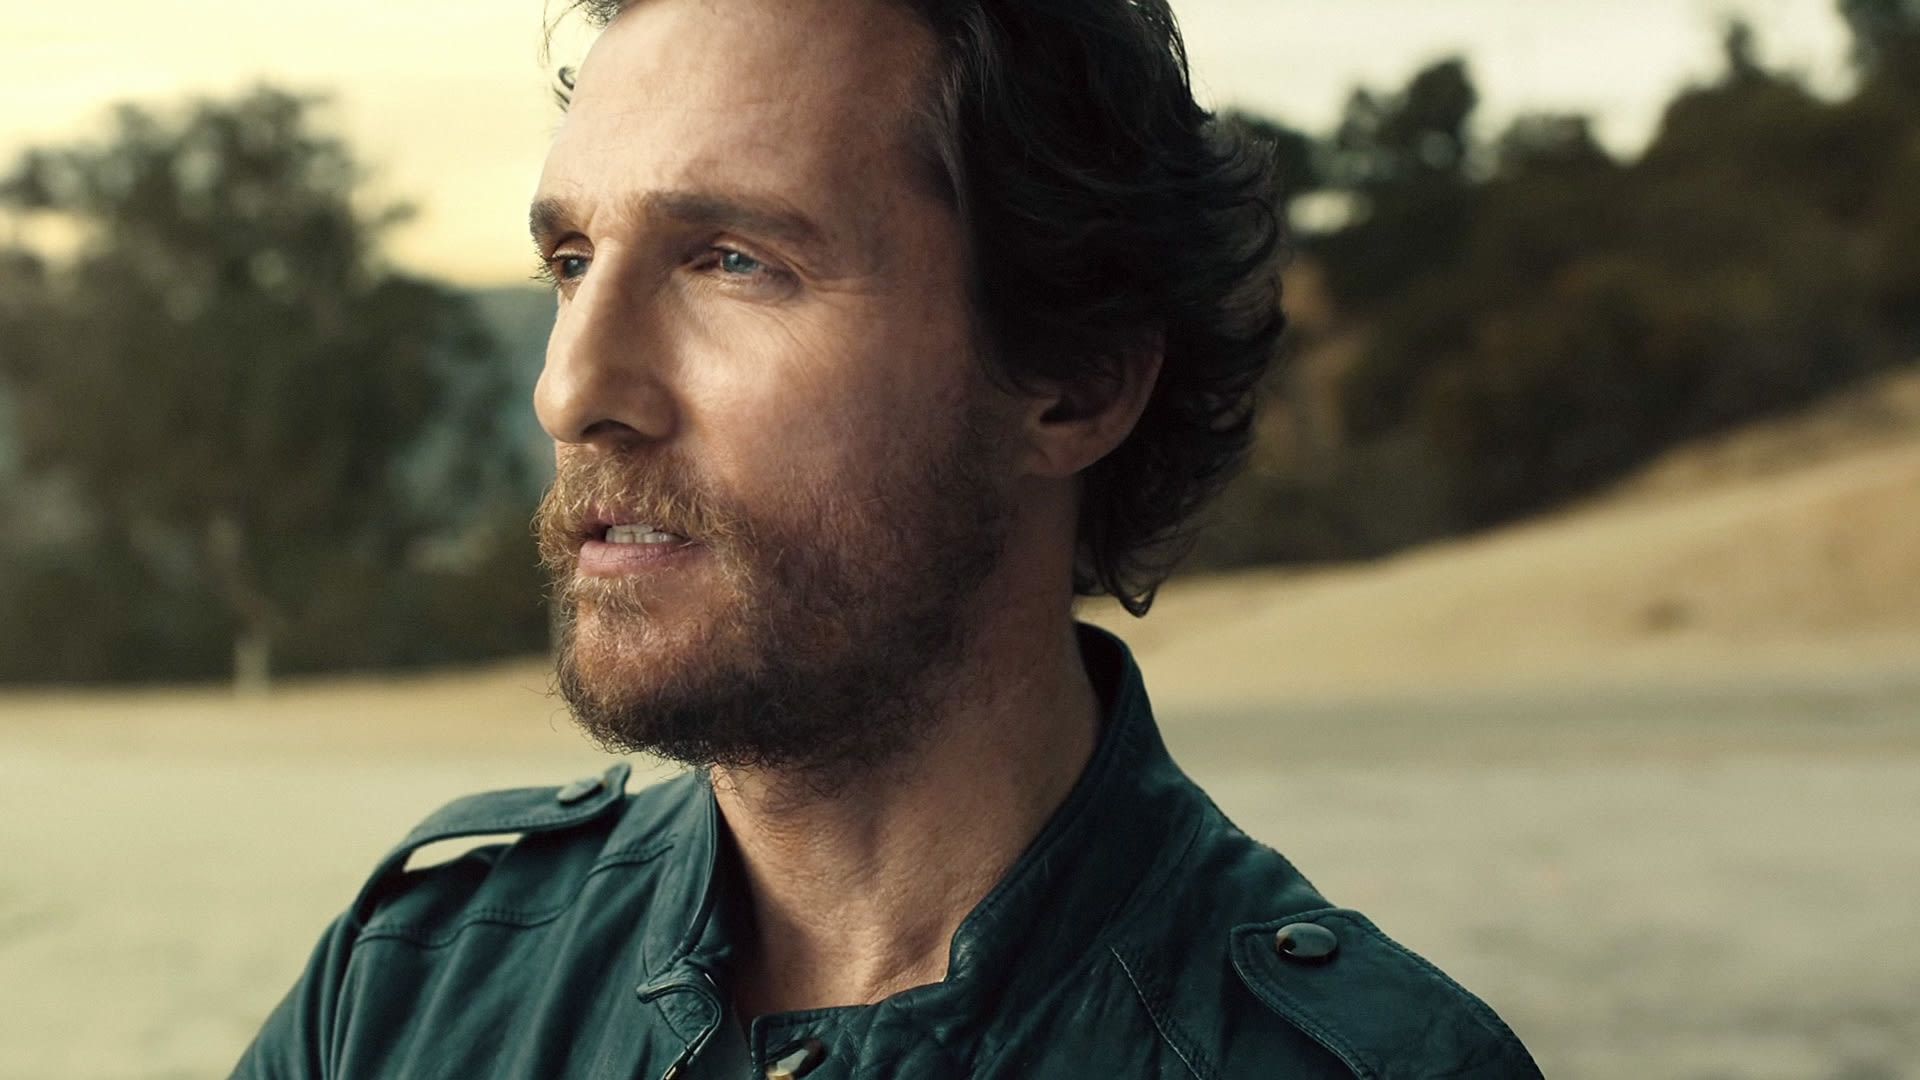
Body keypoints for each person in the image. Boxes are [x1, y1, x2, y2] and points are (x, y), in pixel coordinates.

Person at [231, 0, 1543, 1076]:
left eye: (731, 260)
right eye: (572, 260)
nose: (570, 389)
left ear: (1073, 383)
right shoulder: (409, 995)